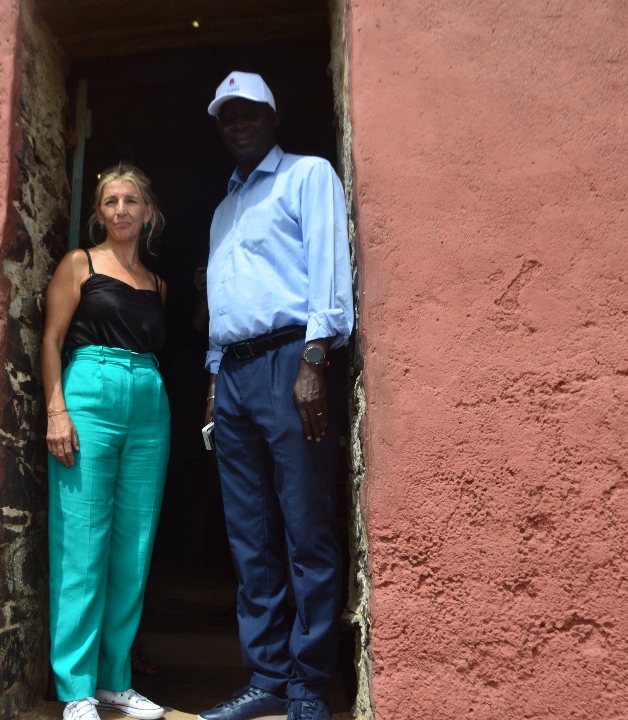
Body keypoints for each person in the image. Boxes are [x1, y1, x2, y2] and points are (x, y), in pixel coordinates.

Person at [197, 72, 354, 720]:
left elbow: (329, 267)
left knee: (306, 525)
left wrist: (316, 357)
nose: (239, 125)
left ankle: (309, 685)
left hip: (292, 362)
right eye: (228, 117)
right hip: (232, 377)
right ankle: (266, 677)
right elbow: (225, 304)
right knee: (250, 536)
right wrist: (213, 380)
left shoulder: (307, 177)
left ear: (274, 115)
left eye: (250, 114)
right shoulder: (224, 209)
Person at [42, 163, 172, 720]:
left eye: (130, 202)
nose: (120, 210)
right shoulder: (80, 264)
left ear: (148, 212)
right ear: (99, 212)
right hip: (89, 389)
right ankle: (77, 689)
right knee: (82, 542)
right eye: (110, 202)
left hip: (148, 396)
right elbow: (50, 339)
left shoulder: (158, 284)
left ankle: (115, 680)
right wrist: (56, 410)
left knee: (133, 546)